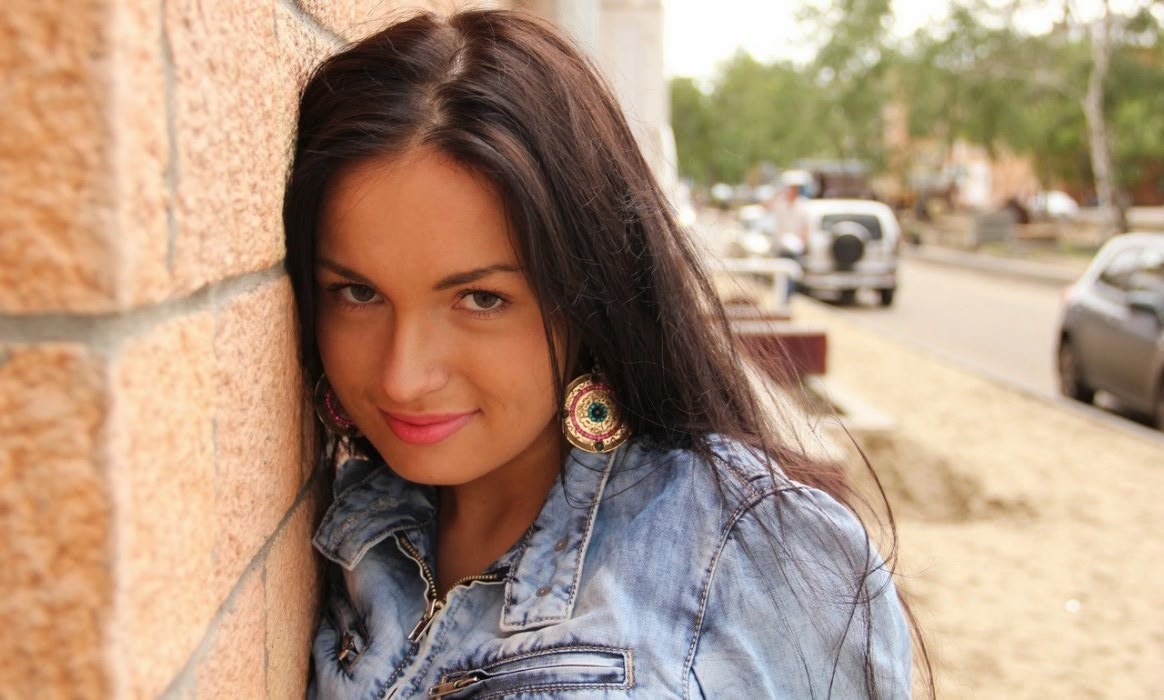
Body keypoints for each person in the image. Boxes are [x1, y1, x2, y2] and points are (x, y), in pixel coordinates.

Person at [283, 9, 928, 698]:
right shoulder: (360, 527)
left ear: (590, 293)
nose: (403, 377)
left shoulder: (757, 556)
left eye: (481, 299)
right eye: (358, 293)